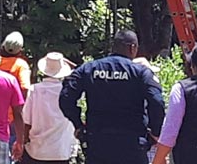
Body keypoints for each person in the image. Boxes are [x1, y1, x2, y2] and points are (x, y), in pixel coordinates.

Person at [59, 30, 165, 164]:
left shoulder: (90, 69)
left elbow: (66, 97)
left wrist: (78, 125)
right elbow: (157, 102)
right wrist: (155, 132)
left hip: (98, 144)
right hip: (132, 145)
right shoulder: (141, 73)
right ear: (132, 48)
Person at [22, 52, 77, 164]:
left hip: (36, 150)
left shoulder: (34, 90)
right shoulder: (69, 92)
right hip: (61, 151)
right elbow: (80, 69)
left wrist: (22, 141)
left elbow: (27, 122)